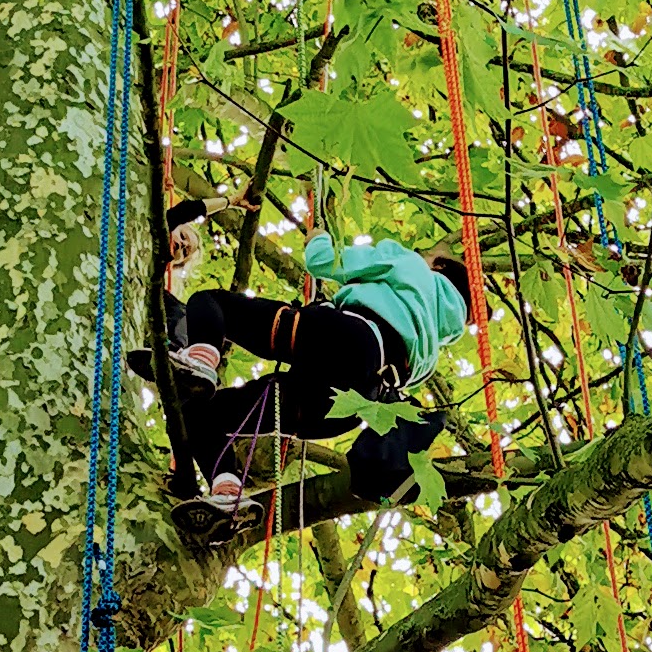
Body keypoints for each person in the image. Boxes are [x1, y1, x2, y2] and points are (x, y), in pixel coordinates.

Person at [147, 218, 472, 514]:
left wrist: (317, 239)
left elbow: (323, 261)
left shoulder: (412, 264)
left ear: (438, 265)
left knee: (210, 303)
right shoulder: (432, 349)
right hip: (343, 408)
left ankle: (202, 361)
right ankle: (228, 493)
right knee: (204, 415)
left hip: (343, 337)